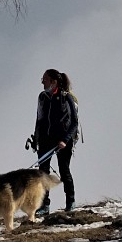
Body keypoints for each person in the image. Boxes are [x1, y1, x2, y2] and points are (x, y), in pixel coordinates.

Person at [33, 67, 78, 216]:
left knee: (64, 171)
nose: (42, 83)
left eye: (44, 80)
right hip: (46, 140)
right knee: (42, 174)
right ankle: (44, 206)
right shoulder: (42, 98)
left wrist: (65, 140)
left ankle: (70, 202)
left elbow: (74, 123)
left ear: (54, 81)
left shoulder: (66, 97)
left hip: (63, 140)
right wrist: (36, 139)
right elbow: (39, 120)